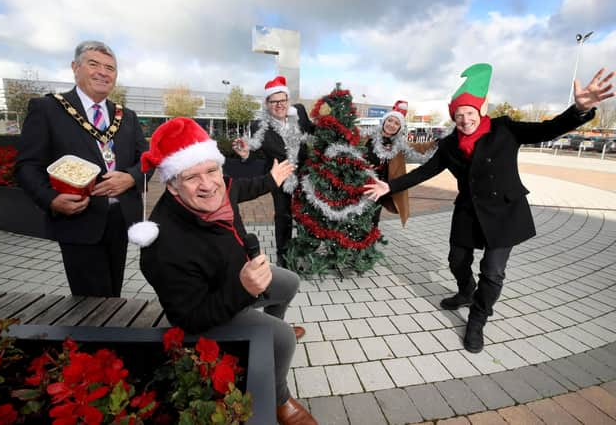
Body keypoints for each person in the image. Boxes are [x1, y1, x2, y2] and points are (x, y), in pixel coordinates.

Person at [365, 64, 615, 353]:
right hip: (468, 211)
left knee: (492, 271)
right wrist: (390, 186)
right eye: (459, 115)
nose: (465, 119)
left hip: (504, 212)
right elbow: (427, 171)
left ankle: (478, 317)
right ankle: (465, 292)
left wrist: (579, 110)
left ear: (481, 111)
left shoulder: (504, 129)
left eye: (470, 113)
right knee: (457, 260)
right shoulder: (449, 144)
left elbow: (548, 129)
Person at [132, 117, 317, 425]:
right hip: (213, 305)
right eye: (191, 177)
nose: (208, 185)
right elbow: (189, 319)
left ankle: (264, 335)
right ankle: (279, 398)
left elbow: (240, 187)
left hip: (237, 278)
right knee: (284, 338)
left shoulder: (221, 186)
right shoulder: (164, 246)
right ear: (172, 185)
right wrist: (243, 288)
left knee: (289, 282)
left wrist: (271, 180)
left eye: (211, 170)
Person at [16, 40, 150, 297]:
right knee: (90, 302)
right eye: (94, 64)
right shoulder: (47, 109)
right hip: (79, 219)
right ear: (75, 67)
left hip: (120, 219)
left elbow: (146, 159)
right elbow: (27, 166)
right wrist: (51, 199)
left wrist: (132, 179)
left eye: (110, 68)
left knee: (113, 295)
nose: (103, 72)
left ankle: (110, 336)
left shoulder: (127, 115)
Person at [232, 75, 315, 267]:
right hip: (279, 176)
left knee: (307, 212)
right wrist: (245, 154)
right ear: (267, 104)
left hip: (305, 173)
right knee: (283, 215)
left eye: (282, 100)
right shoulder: (258, 126)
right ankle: (283, 255)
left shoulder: (299, 113)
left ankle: (306, 249)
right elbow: (253, 154)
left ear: (288, 100)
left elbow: (311, 130)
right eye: (274, 101)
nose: (279, 105)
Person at [365, 100, 436, 227]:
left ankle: (367, 245)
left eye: (396, 123)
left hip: (380, 189)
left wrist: (440, 142)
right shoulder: (367, 137)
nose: (392, 125)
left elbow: (421, 148)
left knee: (372, 222)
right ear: (384, 122)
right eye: (390, 121)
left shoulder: (399, 146)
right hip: (360, 186)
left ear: (399, 128)